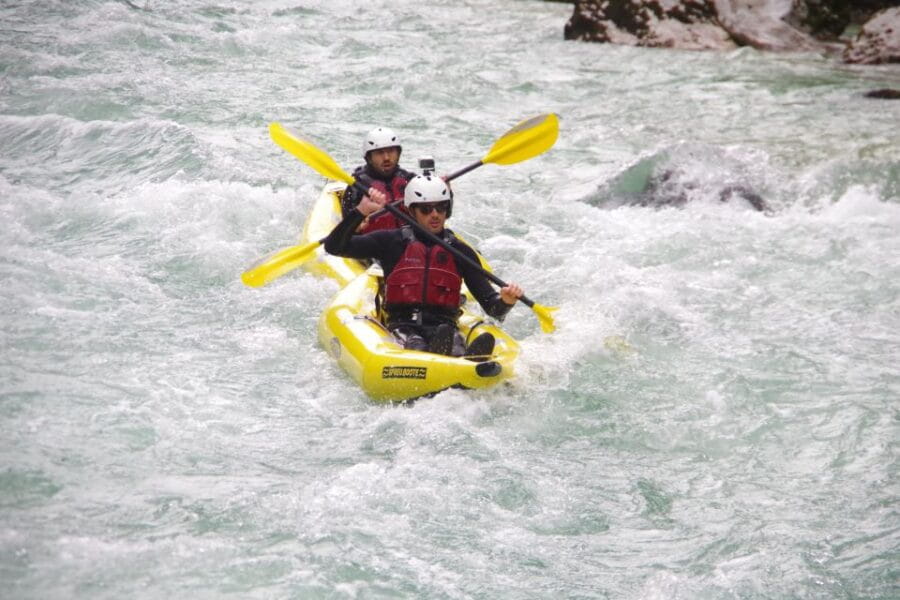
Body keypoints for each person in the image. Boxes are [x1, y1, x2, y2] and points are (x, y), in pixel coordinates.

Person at [325, 174, 524, 358]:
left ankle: (467, 362)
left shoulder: (460, 251)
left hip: (445, 326)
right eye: (426, 209)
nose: (435, 214)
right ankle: (445, 360)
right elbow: (334, 247)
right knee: (416, 344)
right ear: (411, 211)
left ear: (449, 209)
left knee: (453, 343)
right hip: (403, 326)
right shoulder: (390, 242)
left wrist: (506, 301)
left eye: (441, 208)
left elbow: (492, 307)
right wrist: (361, 211)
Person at [340, 126, 415, 233]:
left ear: (398, 153)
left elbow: (442, 214)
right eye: (380, 153)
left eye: (391, 151)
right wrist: (358, 225)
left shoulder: (409, 180)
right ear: (369, 158)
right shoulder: (358, 186)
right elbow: (346, 228)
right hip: (371, 244)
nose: (386, 158)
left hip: (406, 243)